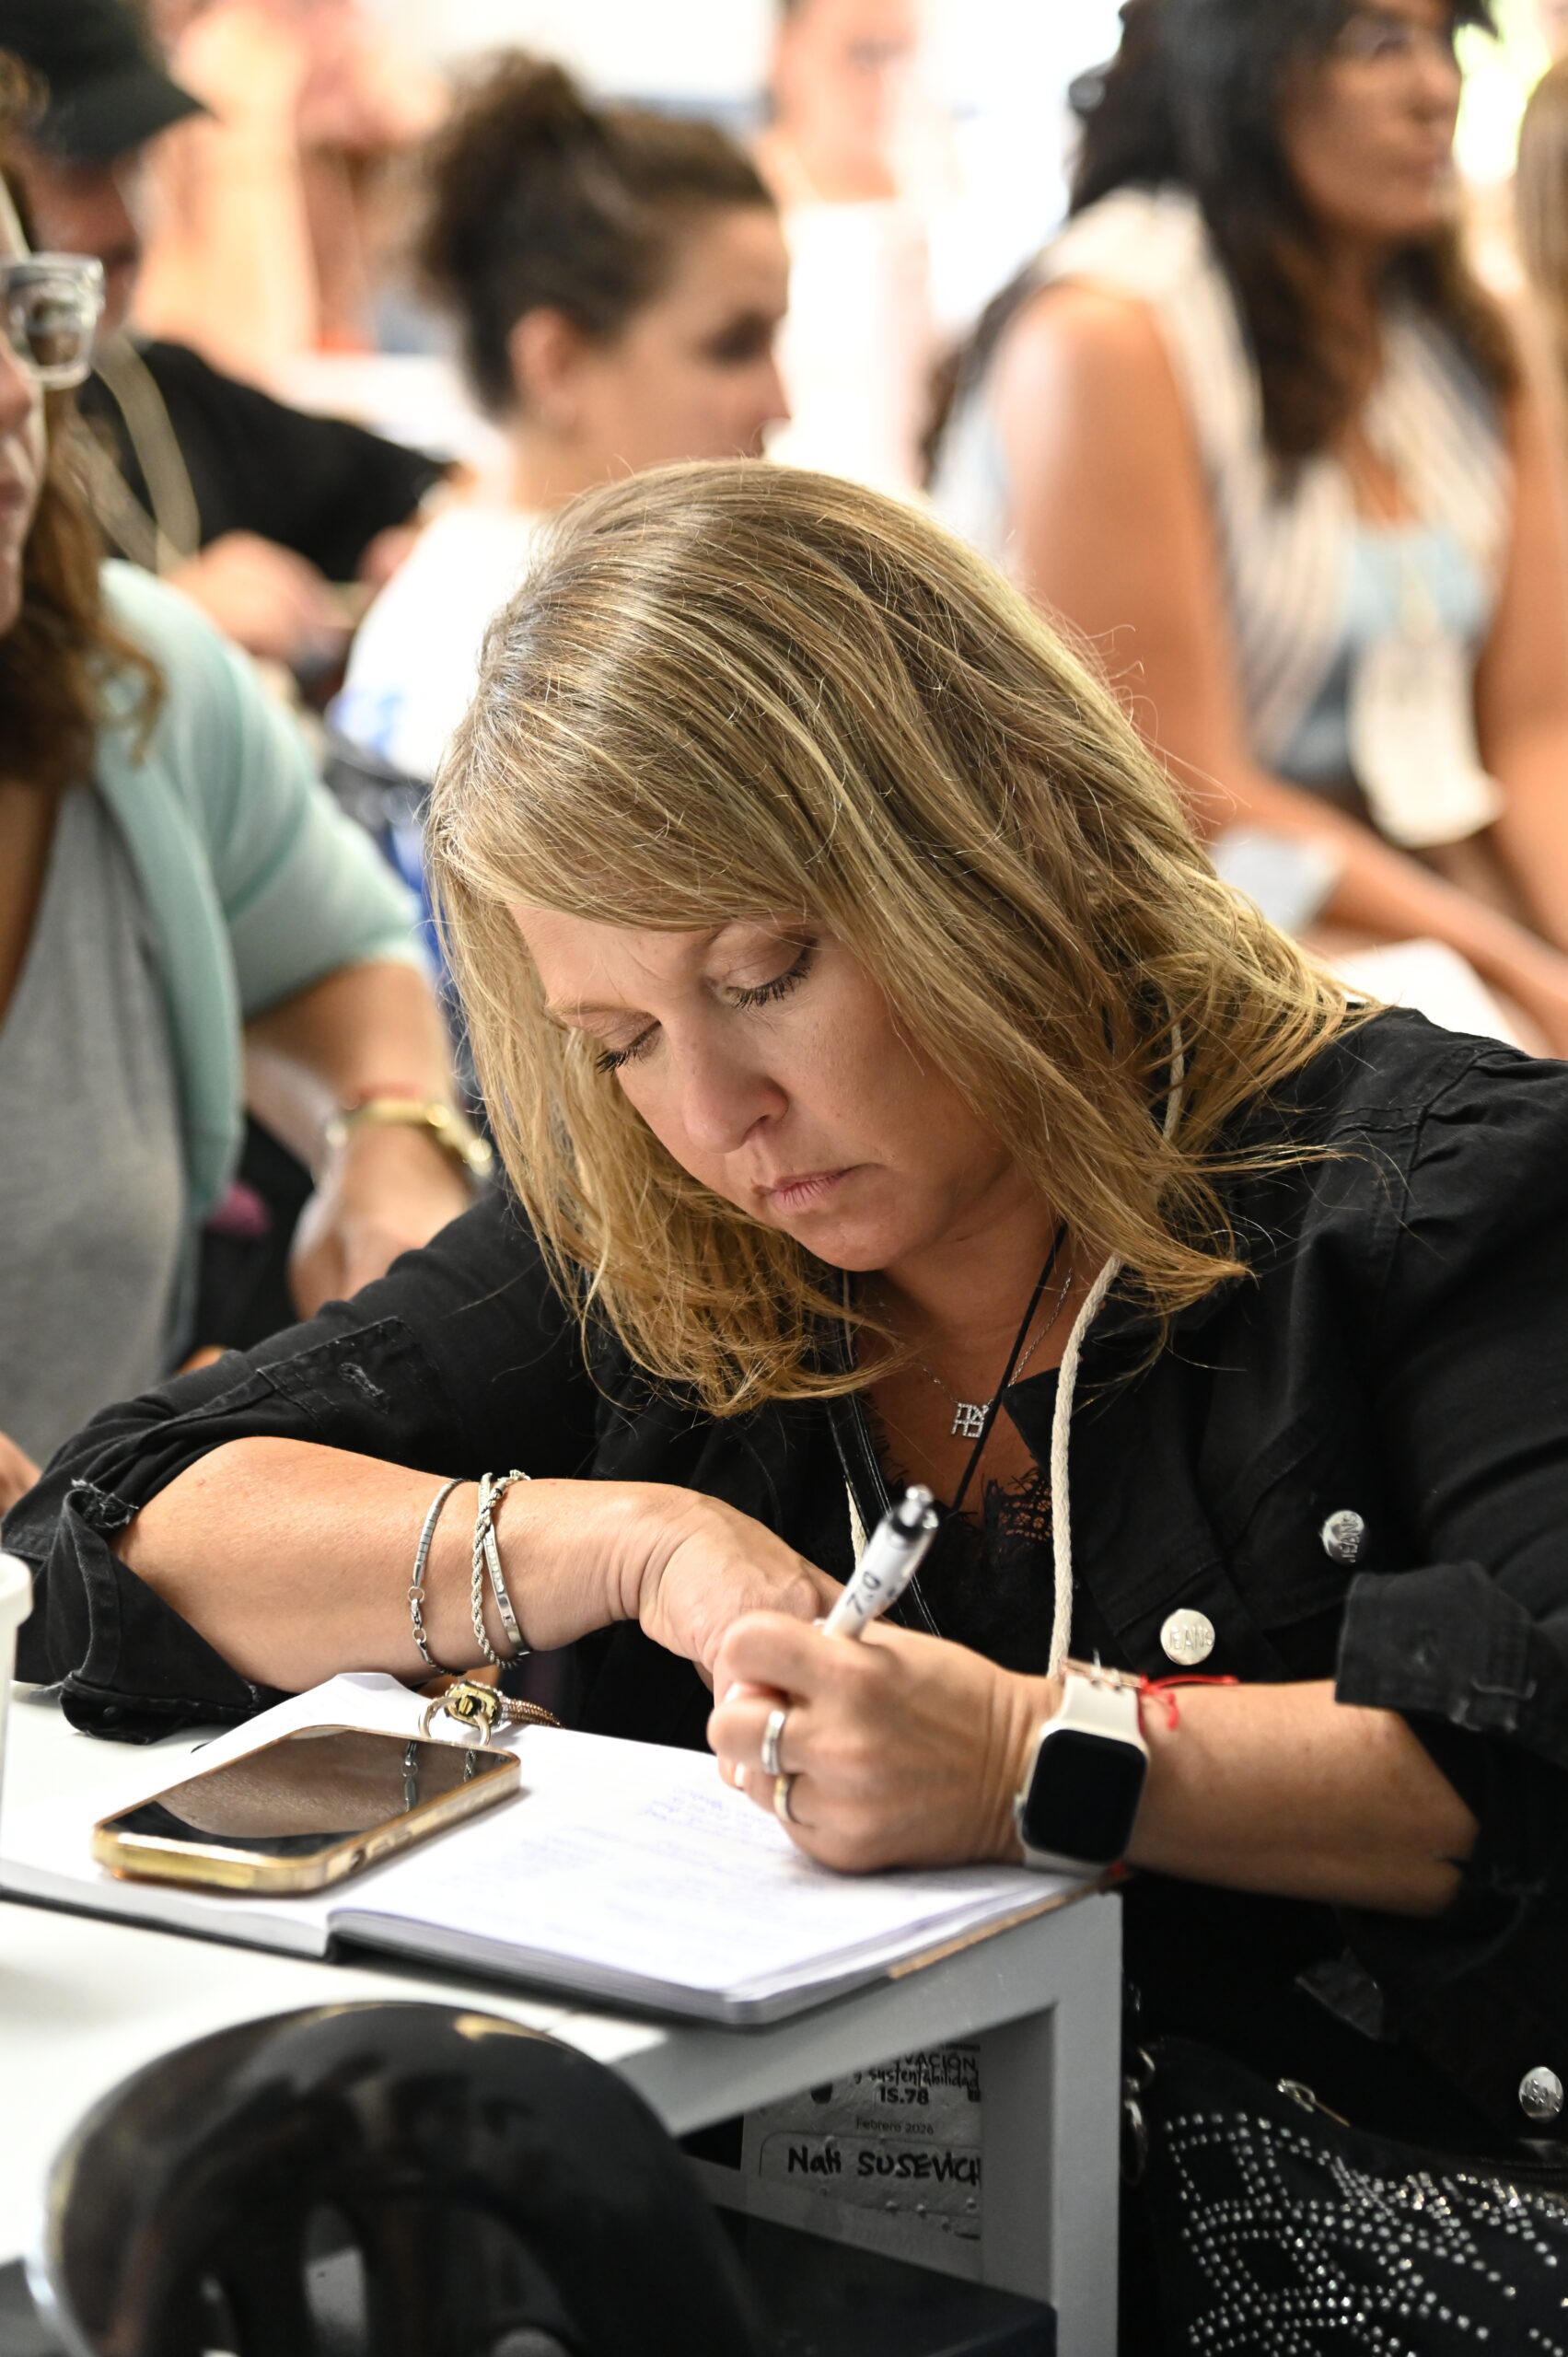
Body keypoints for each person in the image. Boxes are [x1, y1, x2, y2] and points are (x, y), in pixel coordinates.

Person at [14, 459, 1568, 2339]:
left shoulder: (1434, 1190)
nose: (713, 1114)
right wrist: (623, 1542)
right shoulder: (652, 1242)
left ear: (990, 832)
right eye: (617, 1041)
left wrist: (1023, 1759)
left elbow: (1526, 1742)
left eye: (762, 975)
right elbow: (115, 1516)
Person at [933, 0, 1568, 1053]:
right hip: (1175, 915)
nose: (1434, 88)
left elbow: (1533, 735)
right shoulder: (1105, 331)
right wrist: (1517, 975)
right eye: (1376, 43)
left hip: (1417, 892)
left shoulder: (1460, 329)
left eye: (1442, 41)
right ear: (1234, 65)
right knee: (1474, 1057)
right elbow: (1182, 794)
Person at [0, 141, 478, 1505]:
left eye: (13, 312)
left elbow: (329, 955)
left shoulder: (135, 682)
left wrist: (385, 1141)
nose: (14, 388)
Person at [333, 53, 790, 786]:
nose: (779, 404)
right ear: (557, 365)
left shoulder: (435, 587)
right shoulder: (599, 655)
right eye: (731, 347)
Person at [0, 0, 449, 675]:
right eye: (83, 175)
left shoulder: (158, 388)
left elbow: (410, 485)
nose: (129, 225)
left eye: (137, 167)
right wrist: (157, 630)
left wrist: (424, 550)